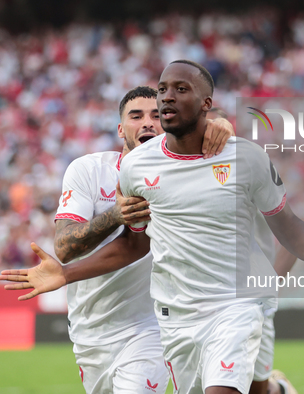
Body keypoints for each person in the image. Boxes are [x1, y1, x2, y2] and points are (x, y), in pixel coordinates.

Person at [0, 59, 304, 394]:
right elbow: (121, 246)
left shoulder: (238, 155)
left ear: (204, 105)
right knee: (254, 386)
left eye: (166, 102)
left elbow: (285, 223)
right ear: (120, 129)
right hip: (163, 317)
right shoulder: (119, 171)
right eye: (142, 111)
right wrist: (71, 266)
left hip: (204, 311)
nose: (156, 112)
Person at [51, 85, 234, 394]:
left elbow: (220, 134)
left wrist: (222, 123)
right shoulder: (88, 171)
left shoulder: (184, 174)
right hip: (89, 330)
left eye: (157, 115)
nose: (148, 122)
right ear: (122, 129)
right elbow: (65, 247)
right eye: (136, 116)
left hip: (151, 326)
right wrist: (115, 216)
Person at [207, 107, 298, 394]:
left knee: (255, 389)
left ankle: (278, 388)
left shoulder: (247, 166)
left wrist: (267, 286)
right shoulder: (176, 172)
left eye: (214, 126)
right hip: (195, 301)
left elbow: (293, 235)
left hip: (247, 301)